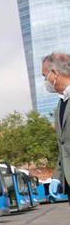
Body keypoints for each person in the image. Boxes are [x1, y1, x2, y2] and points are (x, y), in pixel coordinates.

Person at [41, 52, 70, 198]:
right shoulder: (61, 103)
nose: (45, 80)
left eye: (44, 75)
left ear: (54, 73)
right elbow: (64, 145)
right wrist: (57, 177)